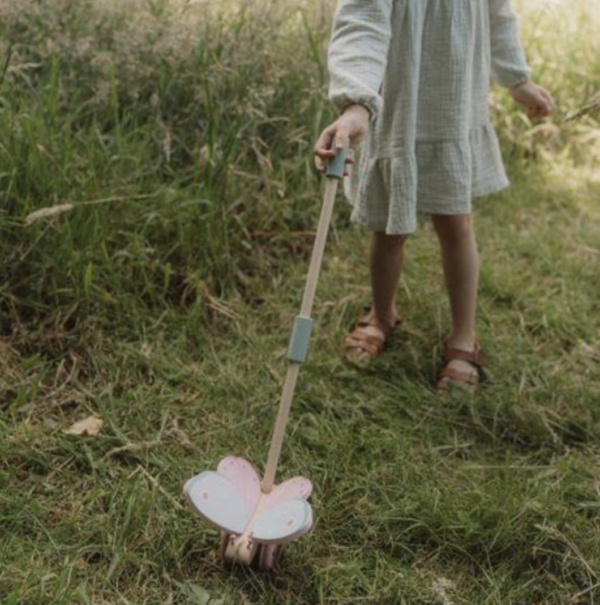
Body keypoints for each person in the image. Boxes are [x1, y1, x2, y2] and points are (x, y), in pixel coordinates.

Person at [314, 0, 554, 392]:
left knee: (455, 222)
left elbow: (498, 15)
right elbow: (362, 23)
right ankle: (382, 313)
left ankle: (463, 337)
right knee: (389, 226)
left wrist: (517, 79)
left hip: (453, 104)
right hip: (396, 106)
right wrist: (356, 103)